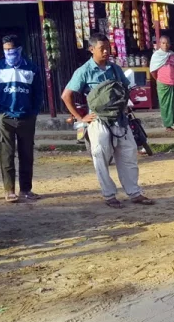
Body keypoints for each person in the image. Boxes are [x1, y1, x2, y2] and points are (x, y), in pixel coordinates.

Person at [62, 33, 154, 209]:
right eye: (101, 48)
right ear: (91, 49)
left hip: (120, 118)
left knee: (128, 153)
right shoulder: (84, 71)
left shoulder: (115, 68)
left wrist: (126, 104)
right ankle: (109, 195)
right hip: (98, 120)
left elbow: (126, 87)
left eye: (108, 48)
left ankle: (134, 193)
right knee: (100, 155)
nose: (106, 51)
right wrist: (80, 117)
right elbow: (66, 95)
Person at [0, 34, 42, 203]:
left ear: (20, 50)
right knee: (6, 154)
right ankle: (9, 190)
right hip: (5, 117)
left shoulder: (32, 68)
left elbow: (38, 93)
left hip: (26, 117)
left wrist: (33, 111)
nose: (9, 53)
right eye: (6, 50)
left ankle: (26, 189)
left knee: (26, 154)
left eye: (12, 49)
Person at [150, 35, 174, 133]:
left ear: (170, 44)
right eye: (163, 43)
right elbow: (152, 71)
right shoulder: (156, 55)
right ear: (159, 44)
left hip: (173, 83)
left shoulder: (172, 55)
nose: (165, 45)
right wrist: (159, 80)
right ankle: (168, 126)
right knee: (166, 106)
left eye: (167, 43)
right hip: (163, 84)